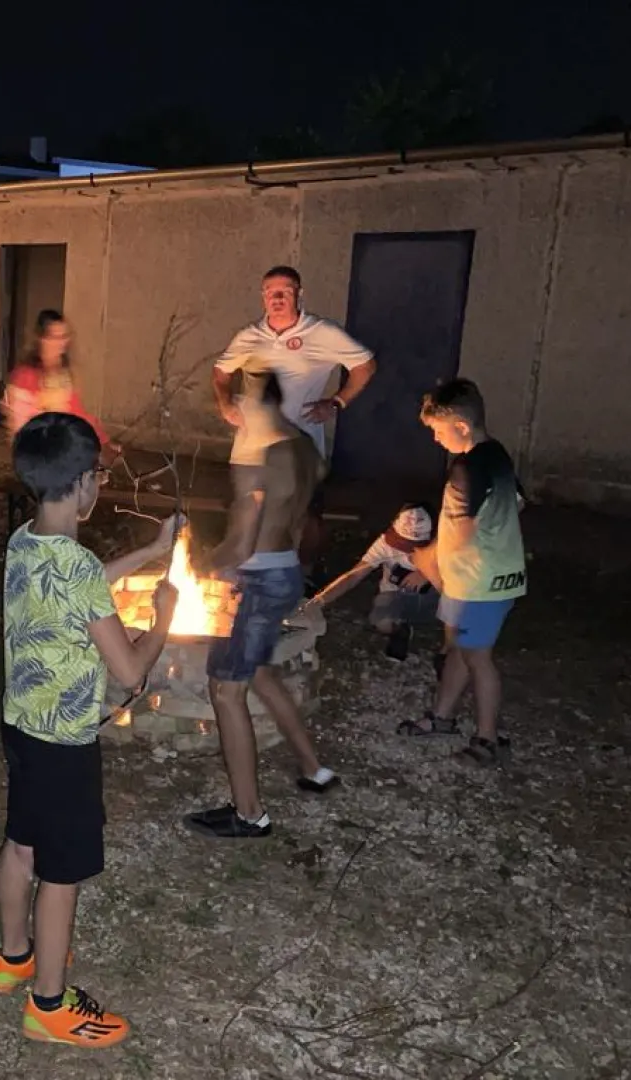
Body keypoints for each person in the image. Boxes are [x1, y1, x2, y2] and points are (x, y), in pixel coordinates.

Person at [0, 410, 180, 1049]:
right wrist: (162, 619)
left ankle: (13, 958)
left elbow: (81, 582)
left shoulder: (24, 541)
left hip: (22, 727)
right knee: (61, 871)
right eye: (98, 473)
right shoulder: (76, 567)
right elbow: (129, 672)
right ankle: (48, 1004)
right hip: (64, 744)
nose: (100, 482)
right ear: (82, 484)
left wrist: (151, 552)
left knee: (22, 843)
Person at [185, 368, 340, 840]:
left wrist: (198, 566)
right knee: (260, 674)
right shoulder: (304, 448)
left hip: (257, 580)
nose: (234, 412)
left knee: (225, 689)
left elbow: (241, 545)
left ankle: (249, 814)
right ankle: (314, 769)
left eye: (240, 402)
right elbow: (298, 515)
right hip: (286, 571)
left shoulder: (258, 460)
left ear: (255, 403)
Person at [213, 266, 377, 587]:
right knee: (247, 513)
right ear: (262, 297)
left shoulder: (322, 333)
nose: (276, 298)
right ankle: (246, 576)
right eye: (270, 292)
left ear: (299, 294)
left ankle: (304, 577)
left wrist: (336, 402)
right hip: (250, 449)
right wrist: (225, 403)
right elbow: (221, 373)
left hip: (299, 446)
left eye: (285, 291)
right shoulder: (249, 336)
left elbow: (365, 366)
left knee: (305, 515)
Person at [399, 379, 526, 767]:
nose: (436, 439)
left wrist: (429, 561)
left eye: (438, 431)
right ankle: (443, 717)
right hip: (488, 576)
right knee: (457, 647)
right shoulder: (496, 453)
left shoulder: (466, 469)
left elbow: (465, 531)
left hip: (480, 584)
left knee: (476, 657)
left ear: (461, 426)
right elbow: (517, 501)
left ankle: (488, 738)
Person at [306, 503, 441, 663]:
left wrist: (428, 574)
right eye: (401, 542)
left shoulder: (444, 547)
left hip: (429, 597)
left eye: (411, 545)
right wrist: (319, 600)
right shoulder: (384, 544)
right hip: (393, 594)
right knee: (381, 621)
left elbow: (457, 586)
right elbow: (353, 576)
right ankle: (400, 630)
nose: (404, 550)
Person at [1, 310, 120, 462]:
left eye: (64, 336)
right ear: (42, 339)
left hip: (61, 452)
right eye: (55, 337)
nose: (62, 343)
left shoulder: (63, 375)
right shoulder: (26, 377)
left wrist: (104, 441)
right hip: (38, 456)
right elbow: (22, 427)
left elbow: (77, 414)